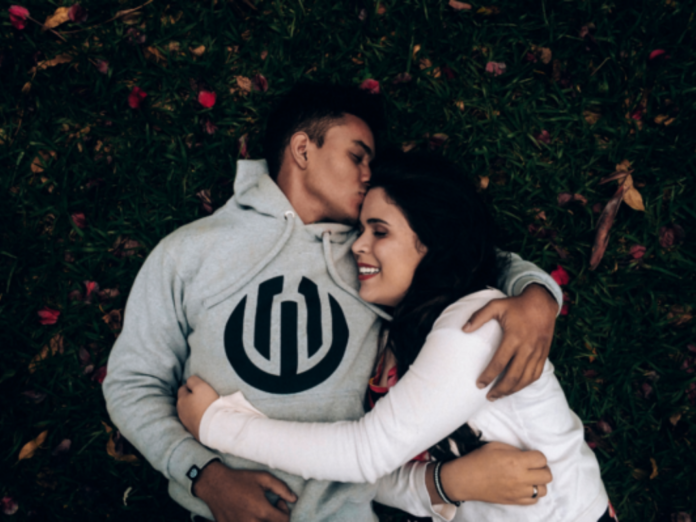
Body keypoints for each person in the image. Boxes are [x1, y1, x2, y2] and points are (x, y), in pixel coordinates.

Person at [103, 83, 563, 522]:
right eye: (356, 157)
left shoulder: (374, 256)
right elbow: (132, 384)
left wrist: (537, 297)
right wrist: (203, 476)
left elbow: (463, 249)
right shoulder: (190, 251)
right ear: (303, 149)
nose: (369, 175)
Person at [177, 151, 614, 522]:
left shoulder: (476, 327)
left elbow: (364, 456)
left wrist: (218, 425)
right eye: (361, 230)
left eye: (380, 231)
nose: (357, 246)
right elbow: (374, 473)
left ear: (435, 241)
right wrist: (444, 483)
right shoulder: (400, 336)